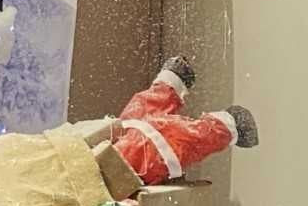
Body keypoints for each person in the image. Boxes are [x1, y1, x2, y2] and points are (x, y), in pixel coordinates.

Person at [110, 55, 259, 186]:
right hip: (124, 155)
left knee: (178, 136)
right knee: (146, 121)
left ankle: (229, 125)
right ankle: (172, 79)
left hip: (128, 159)